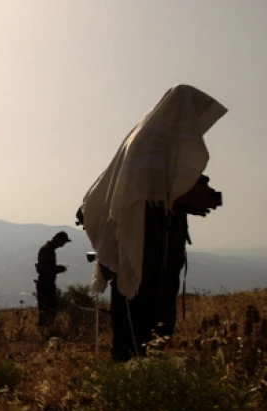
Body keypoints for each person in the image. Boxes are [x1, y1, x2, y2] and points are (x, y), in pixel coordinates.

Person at [80, 84, 226, 361]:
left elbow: (160, 190)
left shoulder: (153, 137)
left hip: (154, 237)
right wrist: (185, 201)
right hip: (144, 238)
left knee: (147, 306)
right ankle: (132, 366)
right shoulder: (154, 140)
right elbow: (145, 193)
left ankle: (139, 362)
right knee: (139, 306)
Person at [35, 232, 70, 327]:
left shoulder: (49, 250)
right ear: (57, 239)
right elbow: (42, 269)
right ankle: (44, 332)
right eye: (62, 242)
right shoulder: (46, 250)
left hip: (48, 283)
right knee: (46, 311)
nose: (62, 245)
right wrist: (57, 269)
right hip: (45, 284)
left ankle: (46, 331)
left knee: (49, 310)